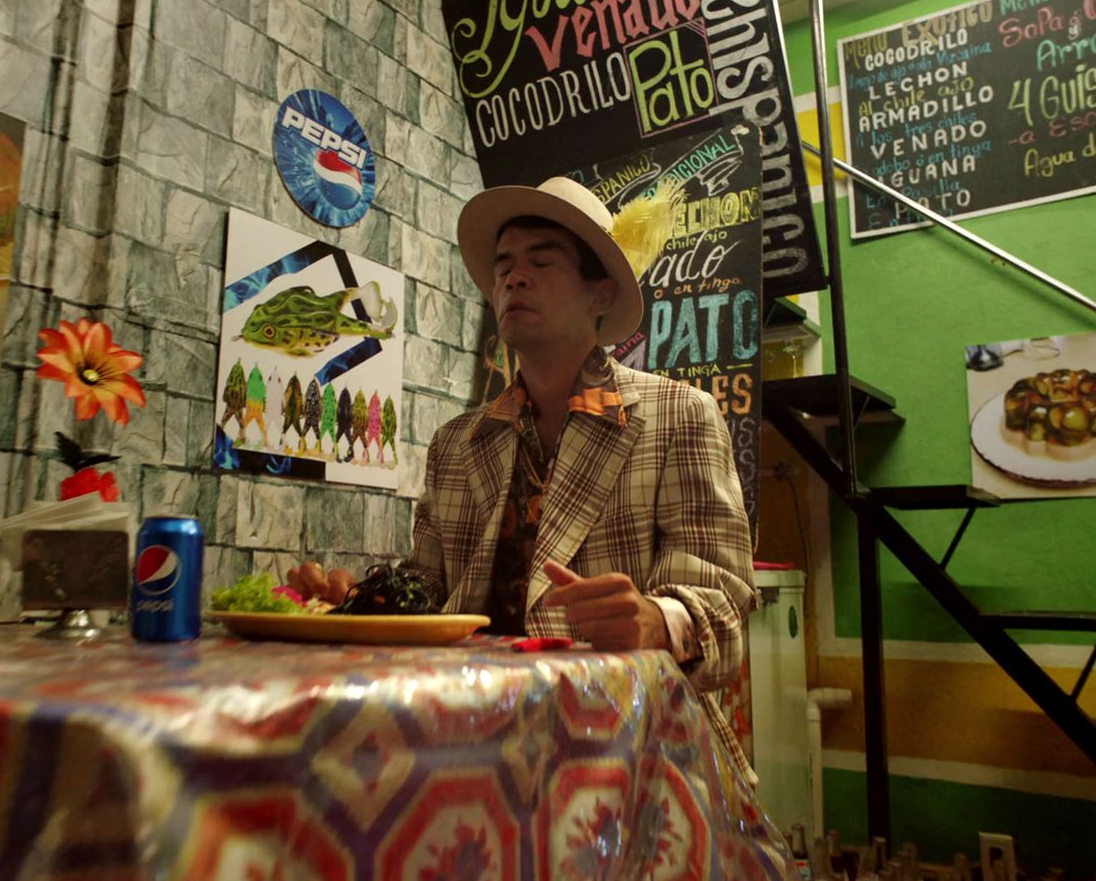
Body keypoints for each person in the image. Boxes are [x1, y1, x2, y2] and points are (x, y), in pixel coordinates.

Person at [289, 176, 756, 775]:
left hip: (633, 750)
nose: (513, 277)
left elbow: (723, 610)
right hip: (471, 745)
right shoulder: (458, 442)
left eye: (543, 260)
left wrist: (655, 621)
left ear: (600, 294)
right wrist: (363, 603)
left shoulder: (678, 417)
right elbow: (429, 588)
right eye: (503, 265)